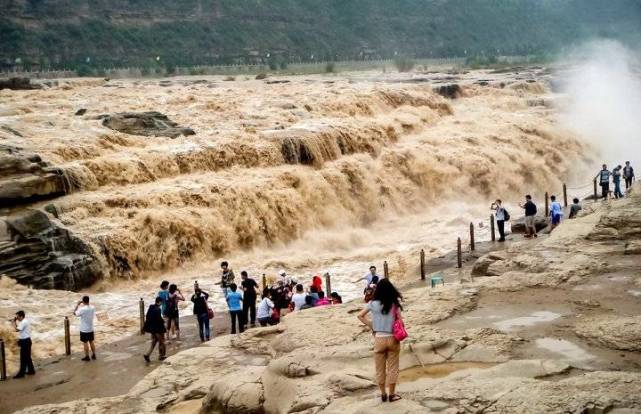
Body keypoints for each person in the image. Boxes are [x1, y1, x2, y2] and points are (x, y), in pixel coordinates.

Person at [357, 279, 404, 403]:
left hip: (379, 339)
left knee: (380, 369)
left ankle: (383, 394)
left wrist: (371, 325)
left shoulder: (372, 303)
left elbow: (360, 315)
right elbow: (401, 322)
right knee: (393, 368)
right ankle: (392, 395)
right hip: (393, 338)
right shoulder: (394, 304)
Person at [12, 310, 35, 378]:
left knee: (23, 358)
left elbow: (17, 330)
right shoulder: (24, 321)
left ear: (21, 316)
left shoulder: (23, 322)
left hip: (25, 341)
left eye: (18, 316)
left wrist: (13, 322)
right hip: (27, 341)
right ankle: (31, 370)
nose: (17, 318)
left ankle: (21, 374)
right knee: (27, 357)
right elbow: (19, 328)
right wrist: (15, 322)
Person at [143, 297, 167, 362]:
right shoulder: (158, 309)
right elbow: (159, 319)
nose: (161, 304)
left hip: (152, 329)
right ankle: (162, 355)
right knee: (162, 342)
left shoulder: (151, 307)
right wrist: (164, 321)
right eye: (161, 302)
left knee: (154, 342)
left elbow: (148, 317)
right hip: (158, 329)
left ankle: (147, 354)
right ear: (159, 302)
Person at [74, 296, 96, 361]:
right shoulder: (93, 307)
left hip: (84, 329)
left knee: (85, 342)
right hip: (91, 328)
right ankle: (94, 354)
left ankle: (87, 356)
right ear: (88, 300)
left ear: (83, 301)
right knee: (91, 341)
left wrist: (77, 305)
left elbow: (74, 313)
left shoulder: (82, 309)